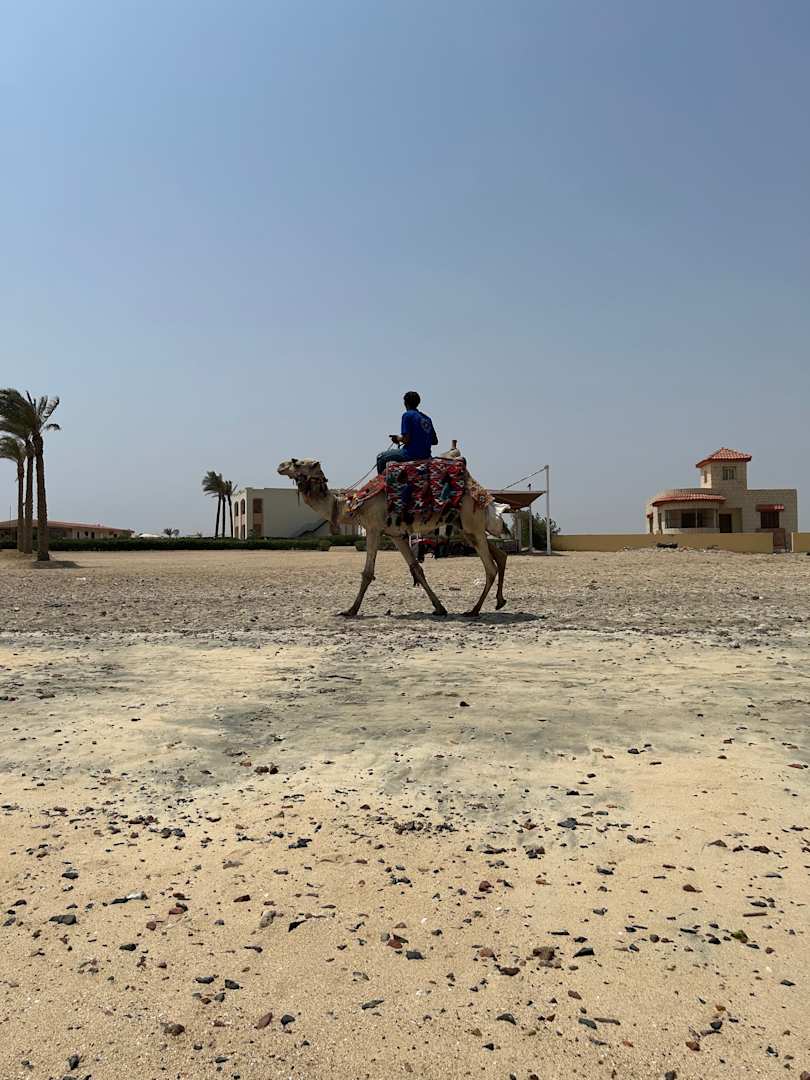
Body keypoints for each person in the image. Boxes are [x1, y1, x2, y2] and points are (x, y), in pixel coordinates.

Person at [376, 391, 439, 475]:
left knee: (380, 457)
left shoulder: (407, 415)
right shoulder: (427, 419)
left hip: (410, 454)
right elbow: (435, 441)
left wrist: (397, 438)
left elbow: (406, 440)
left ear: (405, 403)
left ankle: (382, 481)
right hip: (426, 455)